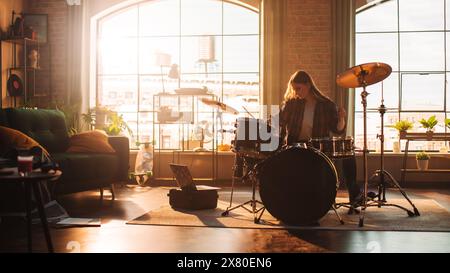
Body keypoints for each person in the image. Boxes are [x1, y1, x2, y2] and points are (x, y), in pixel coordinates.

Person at [279, 70, 362, 207]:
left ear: (308, 85)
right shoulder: (292, 104)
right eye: (294, 89)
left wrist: (341, 117)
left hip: (318, 149)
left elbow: (338, 130)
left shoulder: (326, 104)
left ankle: (354, 195)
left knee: (349, 155)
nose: (297, 92)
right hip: (296, 147)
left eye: (299, 88)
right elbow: (279, 123)